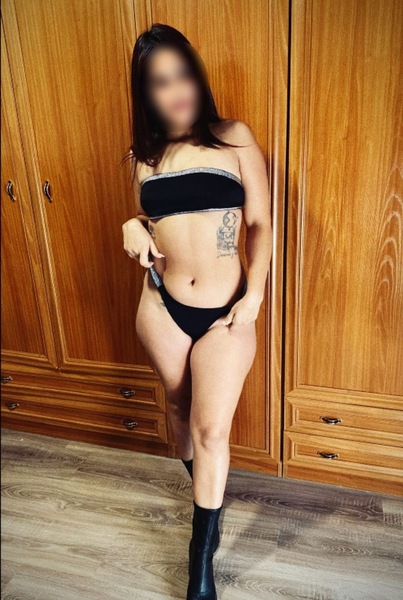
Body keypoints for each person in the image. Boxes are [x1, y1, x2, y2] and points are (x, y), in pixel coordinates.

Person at [121, 23, 272, 600]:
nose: (176, 90)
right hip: (160, 304)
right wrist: (131, 225)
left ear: (197, 76)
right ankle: (209, 496)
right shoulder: (143, 155)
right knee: (179, 409)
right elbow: (149, 219)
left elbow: (259, 223)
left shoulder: (233, 137)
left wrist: (255, 295)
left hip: (225, 311)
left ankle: (199, 561)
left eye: (182, 74)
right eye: (160, 81)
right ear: (147, 92)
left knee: (210, 430)